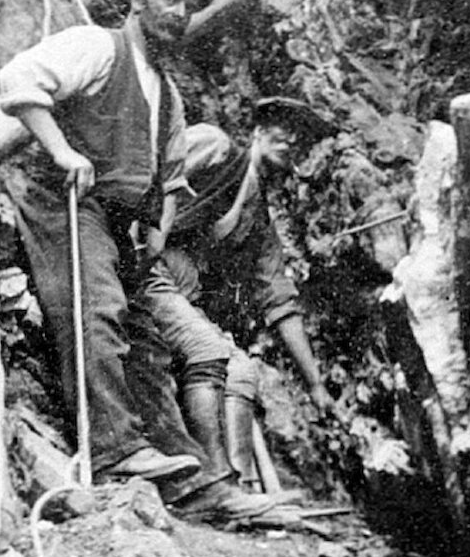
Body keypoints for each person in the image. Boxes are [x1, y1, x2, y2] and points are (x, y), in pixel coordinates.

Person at [0, 0, 281, 522]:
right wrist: (61, 150)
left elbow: (170, 175)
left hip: (120, 219)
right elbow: (17, 81)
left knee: (149, 340)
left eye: (187, 6)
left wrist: (157, 227)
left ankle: (192, 478)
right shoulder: (97, 48)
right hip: (65, 197)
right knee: (97, 309)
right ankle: (114, 451)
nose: (179, 13)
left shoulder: (167, 94)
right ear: (137, 0)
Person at [142, 97, 336, 503]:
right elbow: (150, 172)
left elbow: (278, 299)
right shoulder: (214, 147)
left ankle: (240, 490)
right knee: (208, 350)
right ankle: (215, 484)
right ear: (259, 132)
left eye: (301, 140)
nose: (293, 141)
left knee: (244, 371)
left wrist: (315, 383)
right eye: (285, 130)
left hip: (179, 293)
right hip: (143, 273)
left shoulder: (257, 221)